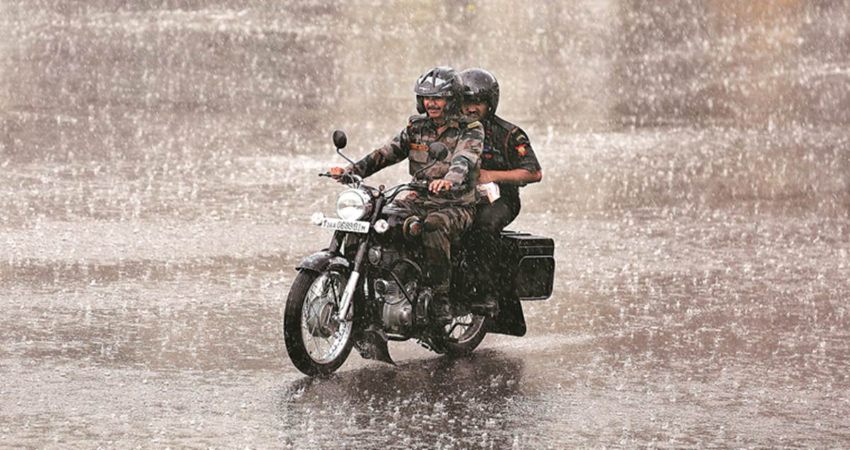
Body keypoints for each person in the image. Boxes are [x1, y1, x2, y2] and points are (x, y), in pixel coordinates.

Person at [330, 66, 484, 325]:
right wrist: (352, 171)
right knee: (373, 219)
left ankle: (440, 298)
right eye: (427, 97)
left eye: (438, 97)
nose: (431, 103)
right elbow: (387, 153)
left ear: (452, 99)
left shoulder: (470, 128)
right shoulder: (417, 126)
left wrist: (449, 181)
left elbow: (464, 160)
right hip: (418, 197)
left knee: (434, 226)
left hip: (456, 204)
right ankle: (366, 288)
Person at [460, 68, 543, 315]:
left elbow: (533, 172)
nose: (471, 108)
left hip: (499, 199)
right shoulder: (452, 129)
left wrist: (492, 175)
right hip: (458, 196)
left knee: (483, 225)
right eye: (466, 102)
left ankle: (487, 293)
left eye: (478, 103)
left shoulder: (508, 134)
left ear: (490, 103)